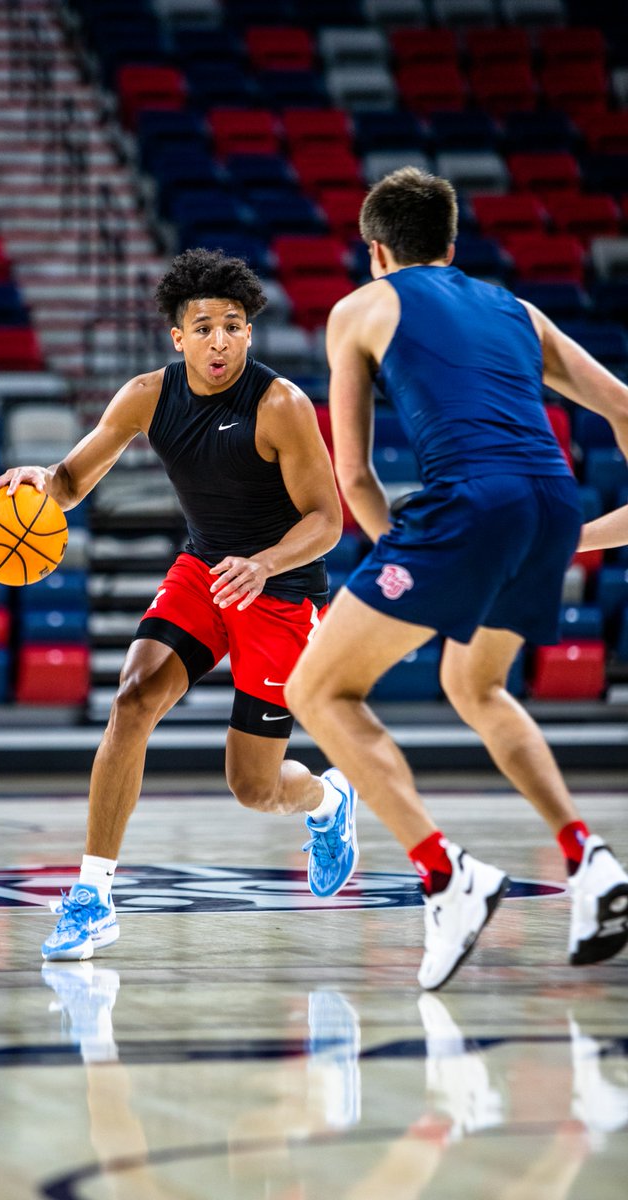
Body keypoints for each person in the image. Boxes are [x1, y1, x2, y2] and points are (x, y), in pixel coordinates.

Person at [284, 167, 628, 991]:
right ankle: (591, 861)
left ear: (375, 250)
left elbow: (357, 478)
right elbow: (621, 403)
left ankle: (448, 876)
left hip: (470, 504)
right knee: (475, 685)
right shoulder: (517, 309)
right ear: (451, 242)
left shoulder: (360, 308)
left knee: (318, 693)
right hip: (550, 499)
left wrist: (403, 564)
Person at [0, 248, 357, 962]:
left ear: (250, 333)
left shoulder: (282, 406)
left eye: (234, 326)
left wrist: (266, 562)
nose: (220, 340)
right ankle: (91, 896)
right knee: (132, 698)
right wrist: (37, 482)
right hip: (205, 570)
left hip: (280, 591)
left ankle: (330, 802)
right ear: (177, 337)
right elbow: (69, 480)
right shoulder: (147, 395)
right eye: (204, 327)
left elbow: (327, 522)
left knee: (253, 786)